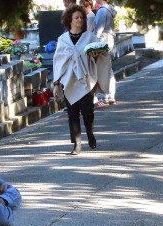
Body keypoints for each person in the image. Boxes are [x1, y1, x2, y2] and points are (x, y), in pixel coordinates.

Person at [52, 4, 112, 155]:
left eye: (82, 18)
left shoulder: (90, 37)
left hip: (86, 80)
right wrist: (56, 82)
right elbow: (58, 61)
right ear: (70, 20)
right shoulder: (63, 39)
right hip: (69, 80)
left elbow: (102, 55)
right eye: (76, 17)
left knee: (87, 112)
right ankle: (77, 144)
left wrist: (97, 55)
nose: (79, 20)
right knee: (72, 114)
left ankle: (90, 134)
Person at [93, 0, 117, 106]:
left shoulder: (102, 11)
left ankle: (104, 96)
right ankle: (111, 95)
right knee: (108, 69)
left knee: (101, 69)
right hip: (110, 40)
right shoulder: (109, 10)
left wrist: (92, 41)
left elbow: (98, 29)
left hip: (102, 41)